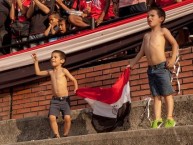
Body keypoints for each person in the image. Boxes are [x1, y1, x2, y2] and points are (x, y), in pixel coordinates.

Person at [127, 7, 179, 128]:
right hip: (151, 69)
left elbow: (175, 44)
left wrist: (172, 59)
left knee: (167, 93)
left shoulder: (163, 31)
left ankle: (170, 118)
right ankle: (157, 119)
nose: (149, 18)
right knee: (155, 95)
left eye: (152, 16)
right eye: (147, 16)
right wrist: (132, 63)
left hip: (162, 67)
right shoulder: (146, 36)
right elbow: (141, 52)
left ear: (161, 19)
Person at [31, 50, 78, 138]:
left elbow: (74, 80)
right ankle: (56, 135)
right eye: (51, 57)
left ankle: (65, 134)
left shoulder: (64, 70)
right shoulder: (51, 72)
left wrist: (76, 88)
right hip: (55, 100)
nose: (52, 58)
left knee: (67, 118)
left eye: (55, 57)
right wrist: (36, 62)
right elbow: (38, 73)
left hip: (65, 99)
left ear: (62, 61)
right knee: (52, 117)